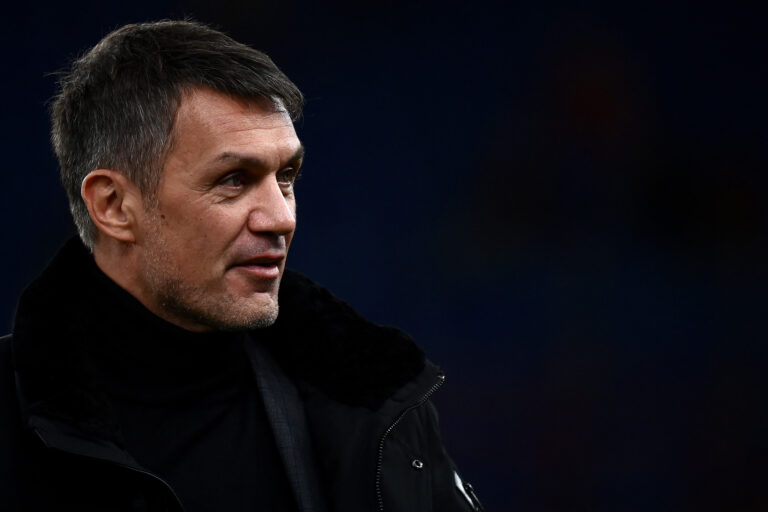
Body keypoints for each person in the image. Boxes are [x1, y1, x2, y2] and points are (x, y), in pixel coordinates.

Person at [0, 20, 483, 511]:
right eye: (234, 179)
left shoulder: (376, 402)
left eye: (286, 176)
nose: (281, 218)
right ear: (114, 205)